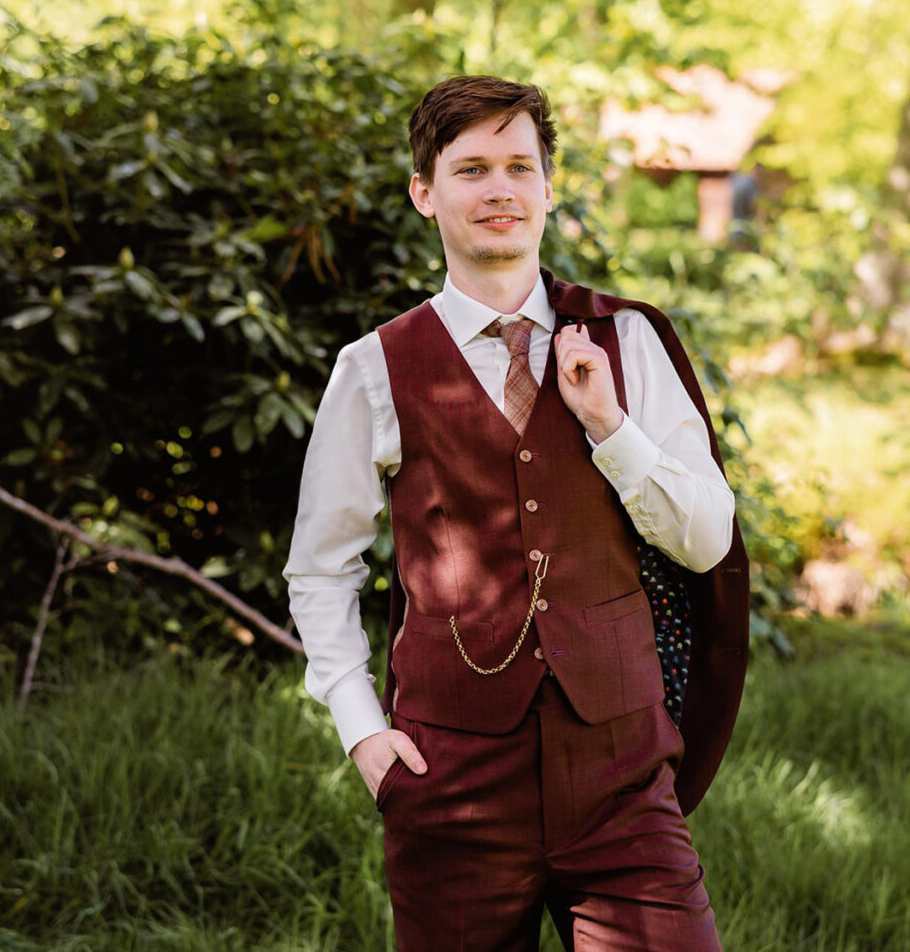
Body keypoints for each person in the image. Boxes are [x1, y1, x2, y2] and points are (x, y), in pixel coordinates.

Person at [284, 74, 750, 950]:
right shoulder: (373, 367)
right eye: (470, 169)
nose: (499, 188)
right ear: (425, 193)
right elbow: (319, 567)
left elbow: (705, 539)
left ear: (548, 187)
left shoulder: (628, 340)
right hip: (450, 778)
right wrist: (362, 734)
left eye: (518, 166)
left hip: (621, 771)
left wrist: (610, 426)